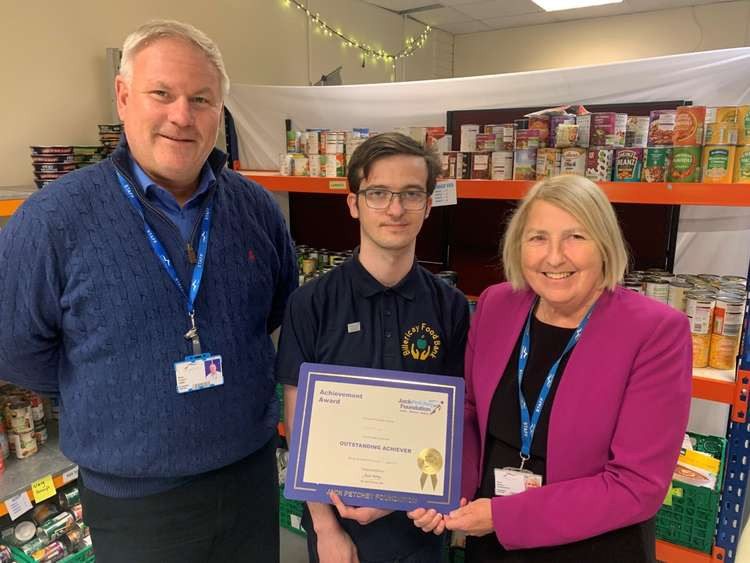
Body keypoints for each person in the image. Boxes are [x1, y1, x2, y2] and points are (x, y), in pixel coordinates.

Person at [0, 20, 297, 563]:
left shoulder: (257, 209)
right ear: (123, 96)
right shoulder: (50, 220)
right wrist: (109, 390)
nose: (182, 116)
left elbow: (275, 311)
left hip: (249, 477)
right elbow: (18, 349)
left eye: (201, 99)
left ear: (219, 111)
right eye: (162, 93)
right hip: (135, 500)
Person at [409, 175, 692, 562]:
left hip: (591, 546)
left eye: (576, 237)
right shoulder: (497, 305)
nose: (555, 257)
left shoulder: (655, 331)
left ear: (605, 245)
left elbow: (636, 486)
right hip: (491, 538)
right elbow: (469, 411)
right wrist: (447, 490)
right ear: (518, 245)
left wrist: (502, 516)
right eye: (538, 237)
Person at [276, 132, 470, 563]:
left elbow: (458, 419)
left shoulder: (451, 307)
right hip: (337, 531)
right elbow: (297, 417)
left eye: (411, 194)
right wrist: (325, 529)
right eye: (379, 193)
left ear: (429, 204)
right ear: (354, 203)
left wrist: (413, 500)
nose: (396, 209)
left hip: (419, 524)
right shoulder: (311, 303)